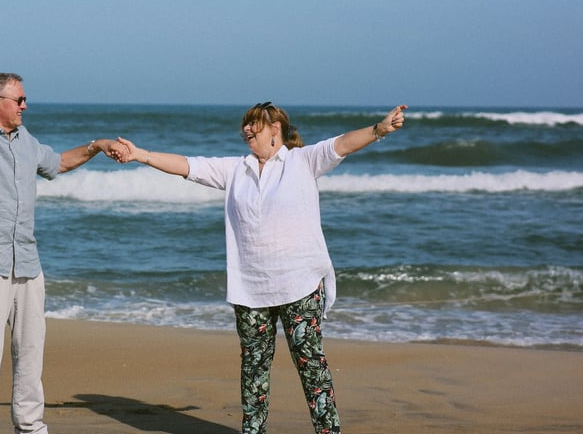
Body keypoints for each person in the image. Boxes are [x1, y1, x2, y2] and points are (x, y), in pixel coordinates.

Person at [112, 102, 407, 434]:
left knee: (311, 368)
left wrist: (379, 129)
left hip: (301, 284)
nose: (247, 131)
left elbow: (343, 143)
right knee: (254, 371)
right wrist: (142, 155)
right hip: (251, 290)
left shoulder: (303, 161)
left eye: (254, 125)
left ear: (275, 127)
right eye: (245, 127)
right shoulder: (236, 169)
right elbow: (188, 165)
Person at [0, 14, 125, 434]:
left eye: (24, 100)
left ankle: (30, 426)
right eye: (19, 100)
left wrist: (98, 145)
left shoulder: (28, 143)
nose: (25, 105)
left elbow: (60, 162)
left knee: (31, 349)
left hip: (27, 260)